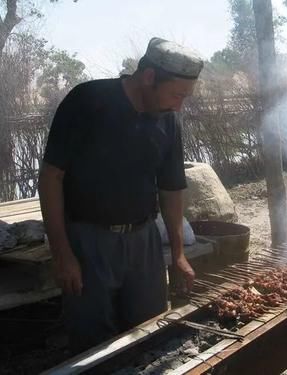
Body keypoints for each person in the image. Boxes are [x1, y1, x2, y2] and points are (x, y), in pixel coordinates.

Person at [38, 37, 203, 353]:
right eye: (177, 94)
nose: (179, 105)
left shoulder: (168, 121)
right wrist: (62, 254)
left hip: (144, 241)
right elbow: (50, 178)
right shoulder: (88, 101)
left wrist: (179, 254)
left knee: (150, 333)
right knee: (93, 345)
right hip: (88, 242)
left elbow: (170, 189)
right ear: (149, 77)